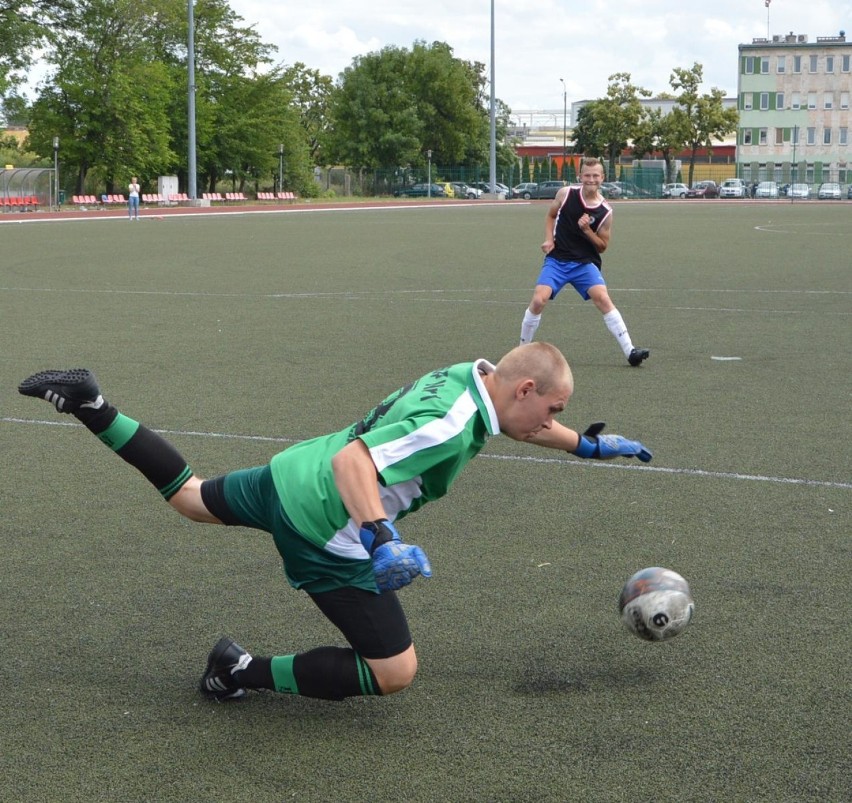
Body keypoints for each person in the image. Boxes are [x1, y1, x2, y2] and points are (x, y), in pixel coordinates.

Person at [17, 344, 651, 704]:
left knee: (190, 495)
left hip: (296, 469)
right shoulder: (452, 426)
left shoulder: (475, 375)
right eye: (555, 409)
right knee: (394, 671)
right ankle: (237, 670)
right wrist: (380, 537)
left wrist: (586, 446)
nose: (554, 420)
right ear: (525, 388)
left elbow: (520, 420)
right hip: (323, 522)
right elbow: (359, 462)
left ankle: (90, 404)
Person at [519, 157, 649, 367]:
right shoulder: (566, 194)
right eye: (587, 175)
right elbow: (551, 215)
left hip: (584, 263)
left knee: (603, 300)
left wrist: (587, 230)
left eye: (595, 175)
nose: (591, 179)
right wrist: (549, 239)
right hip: (558, 260)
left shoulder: (605, 211)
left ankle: (630, 351)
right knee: (538, 300)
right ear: (580, 176)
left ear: (602, 178)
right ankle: (521, 352)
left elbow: (602, 247)